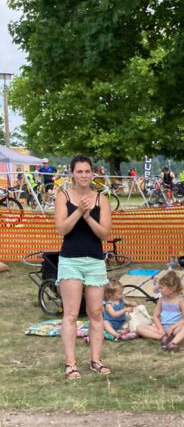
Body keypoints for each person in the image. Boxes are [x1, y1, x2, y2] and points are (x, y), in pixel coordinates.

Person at [53, 153, 113, 380]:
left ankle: (96, 360)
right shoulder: (63, 196)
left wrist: (88, 217)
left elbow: (105, 234)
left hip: (95, 260)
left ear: (92, 173)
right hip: (70, 260)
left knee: (96, 313)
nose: (84, 175)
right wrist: (78, 211)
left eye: (88, 171)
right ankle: (71, 364)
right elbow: (61, 229)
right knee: (70, 314)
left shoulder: (101, 199)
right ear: (72, 174)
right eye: (79, 171)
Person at [136, 270, 184, 350]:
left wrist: (173, 327)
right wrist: (160, 328)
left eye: (161, 288)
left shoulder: (180, 300)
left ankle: (173, 343)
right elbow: (155, 315)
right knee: (139, 328)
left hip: (175, 328)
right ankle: (163, 338)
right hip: (162, 327)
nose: (159, 290)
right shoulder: (161, 300)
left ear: (171, 289)